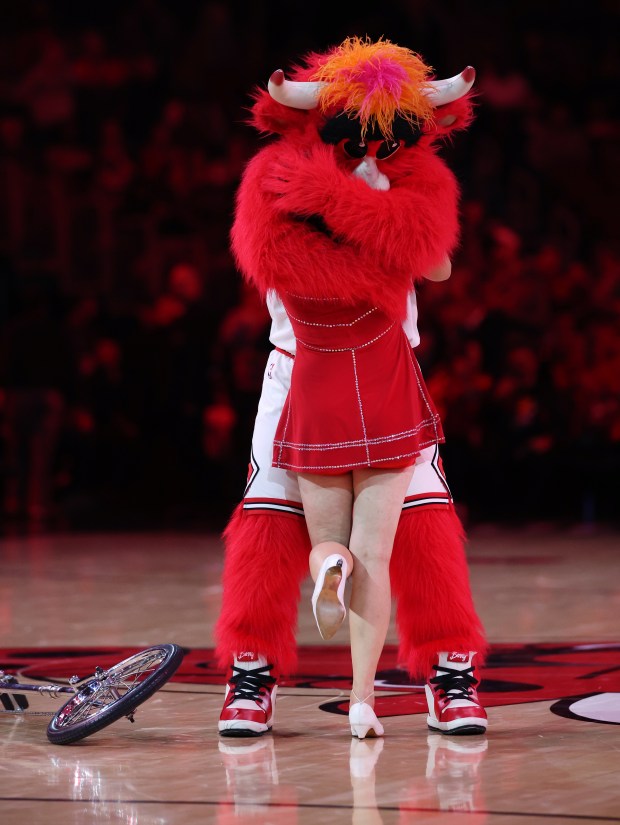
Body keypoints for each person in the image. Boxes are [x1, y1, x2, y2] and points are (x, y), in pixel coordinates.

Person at [217, 38, 487, 738]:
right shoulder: (277, 172)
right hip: (298, 364)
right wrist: (374, 235)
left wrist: (349, 207)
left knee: (426, 526)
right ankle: (252, 668)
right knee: (266, 523)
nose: (370, 139)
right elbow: (283, 265)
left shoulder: (415, 174)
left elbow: (434, 260)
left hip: (388, 361)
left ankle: (447, 671)